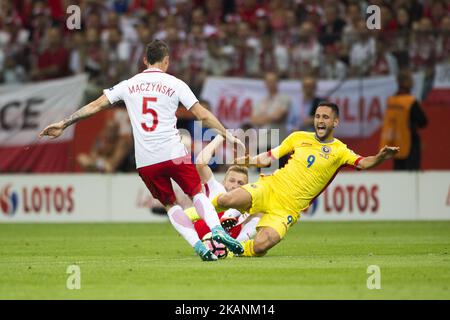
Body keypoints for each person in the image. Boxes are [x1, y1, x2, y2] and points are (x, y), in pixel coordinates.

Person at [39, 39, 245, 261]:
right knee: (197, 193)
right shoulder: (175, 83)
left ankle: (199, 246)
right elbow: (202, 115)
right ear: (166, 61)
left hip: (146, 161)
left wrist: (64, 123)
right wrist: (225, 133)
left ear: (145, 60)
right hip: (174, 153)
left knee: (169, 205)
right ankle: (217, 231)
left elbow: (95, 105)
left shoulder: (128, 85)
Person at [211, 102, 399, 257]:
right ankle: (201, 216)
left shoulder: (340, 151)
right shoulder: (298, 137)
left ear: (335, 122)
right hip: (271, 188)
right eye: (317, 116)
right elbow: (271, 156)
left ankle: (229, 251)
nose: (320, 121)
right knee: (227, 200)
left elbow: (363, 163)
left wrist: (380, 157)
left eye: (325, 117)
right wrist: (251, 162)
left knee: (261, 246)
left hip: (287, 209)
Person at [187, 135, 261, 243]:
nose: (235, 186)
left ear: (246, 186)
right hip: (205, 234)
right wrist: (221, 137)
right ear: (223, 182)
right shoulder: (216, 188)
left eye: (240, 183)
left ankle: (237, 245)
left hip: (231, 238)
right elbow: (201, 163)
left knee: (261, 211)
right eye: (232, 181)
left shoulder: (247, 198)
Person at [380, 70, 428, 170]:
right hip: (410, 142)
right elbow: (423, 122)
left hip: (395, 142)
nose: (412, 82)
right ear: (405, 82)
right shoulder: (410, 101)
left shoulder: (391, 100)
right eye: (410, 79)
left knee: (398, 172)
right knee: (411, 173)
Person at [251, 72, 291, 152]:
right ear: (265, 83)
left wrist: (262, 117)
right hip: (261, 142)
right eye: (268, 82)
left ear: (277, 83)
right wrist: (271, 116)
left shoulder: (284, 99)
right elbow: (254, 120)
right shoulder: (261, 101)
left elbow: (278, 117)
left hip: (277, 142)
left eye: (273, 81)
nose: (270, 84)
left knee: (278, 164)